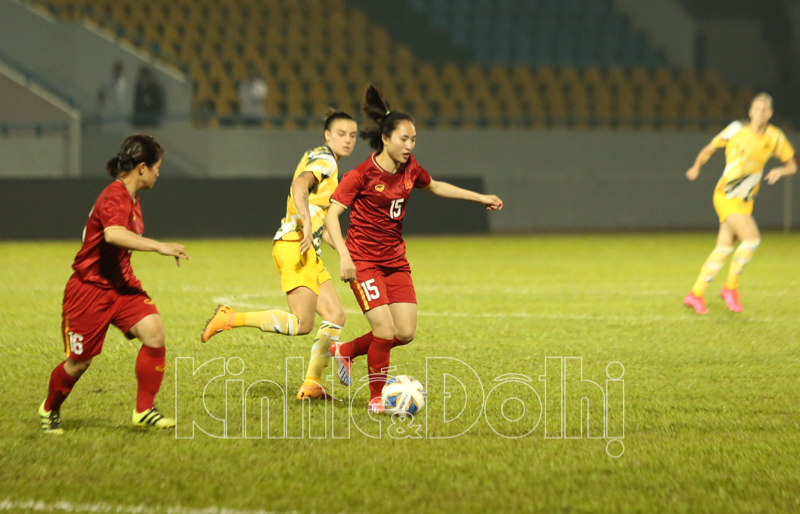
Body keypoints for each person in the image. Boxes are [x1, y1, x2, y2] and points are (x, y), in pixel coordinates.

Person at [325, 84, 503, 413]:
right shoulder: (360, 175)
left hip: (395, 261)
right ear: (386, 139)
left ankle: (344, 350)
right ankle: (377, 399)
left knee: (404, 333)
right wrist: (345, 256)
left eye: (413, 140)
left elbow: (434, 186)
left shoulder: (410, 168)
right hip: (363, 262)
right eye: (404, 139)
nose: (409, 146)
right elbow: (332, 216)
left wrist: (479, 198)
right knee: (384, 329)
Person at [202, 110, 358, 400]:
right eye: (341, 134)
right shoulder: (324, 160)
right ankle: (230, 317)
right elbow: (299, 184)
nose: (348, 140)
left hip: (306, 247)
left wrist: (348, 252)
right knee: (302, 324)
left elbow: (322, 226)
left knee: (335, 314)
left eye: (352, 135)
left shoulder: (324, 160)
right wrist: (307, 222)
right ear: (327, 135)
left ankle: (312, 385)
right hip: (295, 243)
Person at [38, 135, 190, 434]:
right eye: (157, 167)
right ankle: (49, 408)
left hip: (121, 285)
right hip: (89, 290)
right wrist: (160, 246)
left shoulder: (133, 199)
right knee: (79, 364)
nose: (159, 173)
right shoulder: (114, 195)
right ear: (143, 168)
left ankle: (144, 410)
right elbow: (113, 235)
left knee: (154, 333)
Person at [684, 92, 796, 314]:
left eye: (765, 109)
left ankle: (695, 294)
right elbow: (709, 148)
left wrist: (780, 171)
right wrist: (696, 166)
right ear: (750, 111)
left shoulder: (774, 137)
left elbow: (792, 165)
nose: (760, 112)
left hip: (745, 201)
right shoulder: (736, 129)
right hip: (726, 194)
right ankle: (730, 289)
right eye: (757, 108)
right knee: (752, 240)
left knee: (724, 248)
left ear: (770, 114)